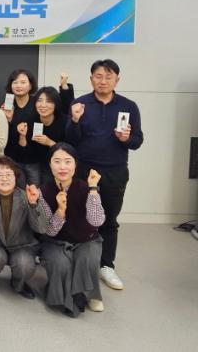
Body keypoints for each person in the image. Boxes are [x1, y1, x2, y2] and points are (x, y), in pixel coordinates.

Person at [65, 59, 143, 290]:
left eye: (108, 77)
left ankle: (106, 265)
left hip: (114, 171)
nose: (103, 81)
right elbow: (70, 140)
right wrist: (75, 120)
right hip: (83, 170)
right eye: (98, 76)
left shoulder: (129, 106)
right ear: (91, 79)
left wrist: (126, 138)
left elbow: (137, 141)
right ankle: (78, 261)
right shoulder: (79, 104)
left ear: (117, 80)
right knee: (79, 217)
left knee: (109, 220)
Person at [39, 143, 106, 317]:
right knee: (61, 265)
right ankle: (67, 294)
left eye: (68, 161)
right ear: (50, 164)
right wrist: (60, 211)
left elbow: (97, 221)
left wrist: (93, 189)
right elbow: (50, 231)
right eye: (57, 161)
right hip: (55, 241)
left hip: (87, 239)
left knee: (87, 260)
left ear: (75, 164)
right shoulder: (43, 191)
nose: (62, 167)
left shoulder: (86, 187)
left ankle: (91, 294)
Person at [0, 156, 47, 299]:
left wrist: (33, 204)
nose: (5, 179)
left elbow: (41, 228)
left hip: (22, 245)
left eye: (8, 174)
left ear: (16, 177)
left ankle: (19, 283)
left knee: (24, 264)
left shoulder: (27, 196)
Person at [5, 72, 74, 186]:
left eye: (23, 82)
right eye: (40, 101)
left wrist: (49, 142)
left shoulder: (63, 120)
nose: (43, 105)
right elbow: (26, 148)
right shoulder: (31, 118)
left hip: (56, 164)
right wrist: (22, 135)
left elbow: (70, 148)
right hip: (30, 161)